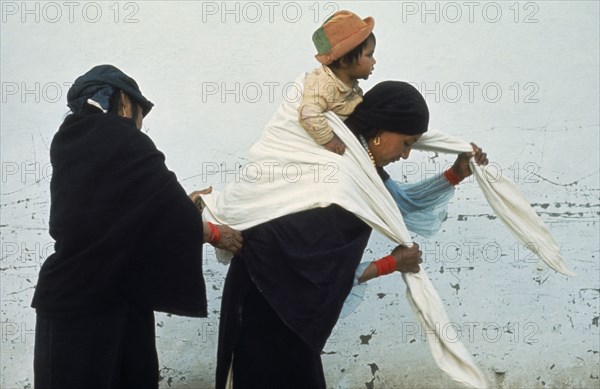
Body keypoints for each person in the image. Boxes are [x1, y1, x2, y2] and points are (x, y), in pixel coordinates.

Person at [214, 81, 488, 388]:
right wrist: (390, 264)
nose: (407, 154)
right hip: (266, 298)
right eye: (406, 143)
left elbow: (402, 205)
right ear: (382, 132)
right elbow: (315, 273)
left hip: (288, 305)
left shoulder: (363, 170)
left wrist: (455, 174)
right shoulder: (341, 173)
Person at [31, 64, 243, 388]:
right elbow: (164, 216)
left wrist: (181, 206)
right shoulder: (125, 139)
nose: (141, 127)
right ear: (124, 102)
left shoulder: (67, 143)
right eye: (141, 114)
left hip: (64, 301)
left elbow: (120, 216)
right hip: (105, 308)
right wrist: (215, 233)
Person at [298, 10, 376, 155]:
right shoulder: (323, 83)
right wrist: (330, 141)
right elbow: (308, 113)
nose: (374, 61)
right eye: (369, 55)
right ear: (345, 61)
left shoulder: (349, 86)